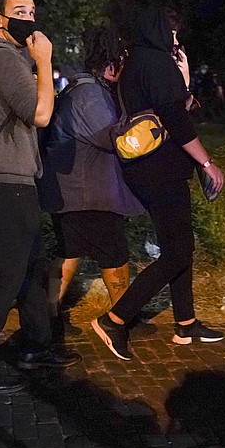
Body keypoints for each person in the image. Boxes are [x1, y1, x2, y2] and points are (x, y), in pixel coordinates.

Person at [0, 0, 81, 394]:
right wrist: (43, 62)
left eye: (31, 9)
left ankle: (35, 347)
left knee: (31, 270)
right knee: (7, 279)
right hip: (4, 185)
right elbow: (41, 115)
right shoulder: (5, 59)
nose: (28, 16)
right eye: (18, 10)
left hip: (1, 183)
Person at [90, 7, 225, 361]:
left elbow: (171, 104)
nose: (176, 41)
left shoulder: (133, 63)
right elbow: (178, 120)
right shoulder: (157, 62)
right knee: (179, 249)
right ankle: (114, 319)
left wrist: (183, 78)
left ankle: (186, 322)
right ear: (161, 32)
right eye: (173, 34)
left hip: (143, 168)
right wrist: (207, 163)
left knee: (177, 243)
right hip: (161, 168)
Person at [38, 27, 146, 338]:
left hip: (73, 189)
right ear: (109, 64)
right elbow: (111, 137)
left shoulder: (81, 90)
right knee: (114, 254)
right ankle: (121, 318)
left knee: (71, 251)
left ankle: (48, 317)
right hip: (89, 192)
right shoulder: (89, 94)